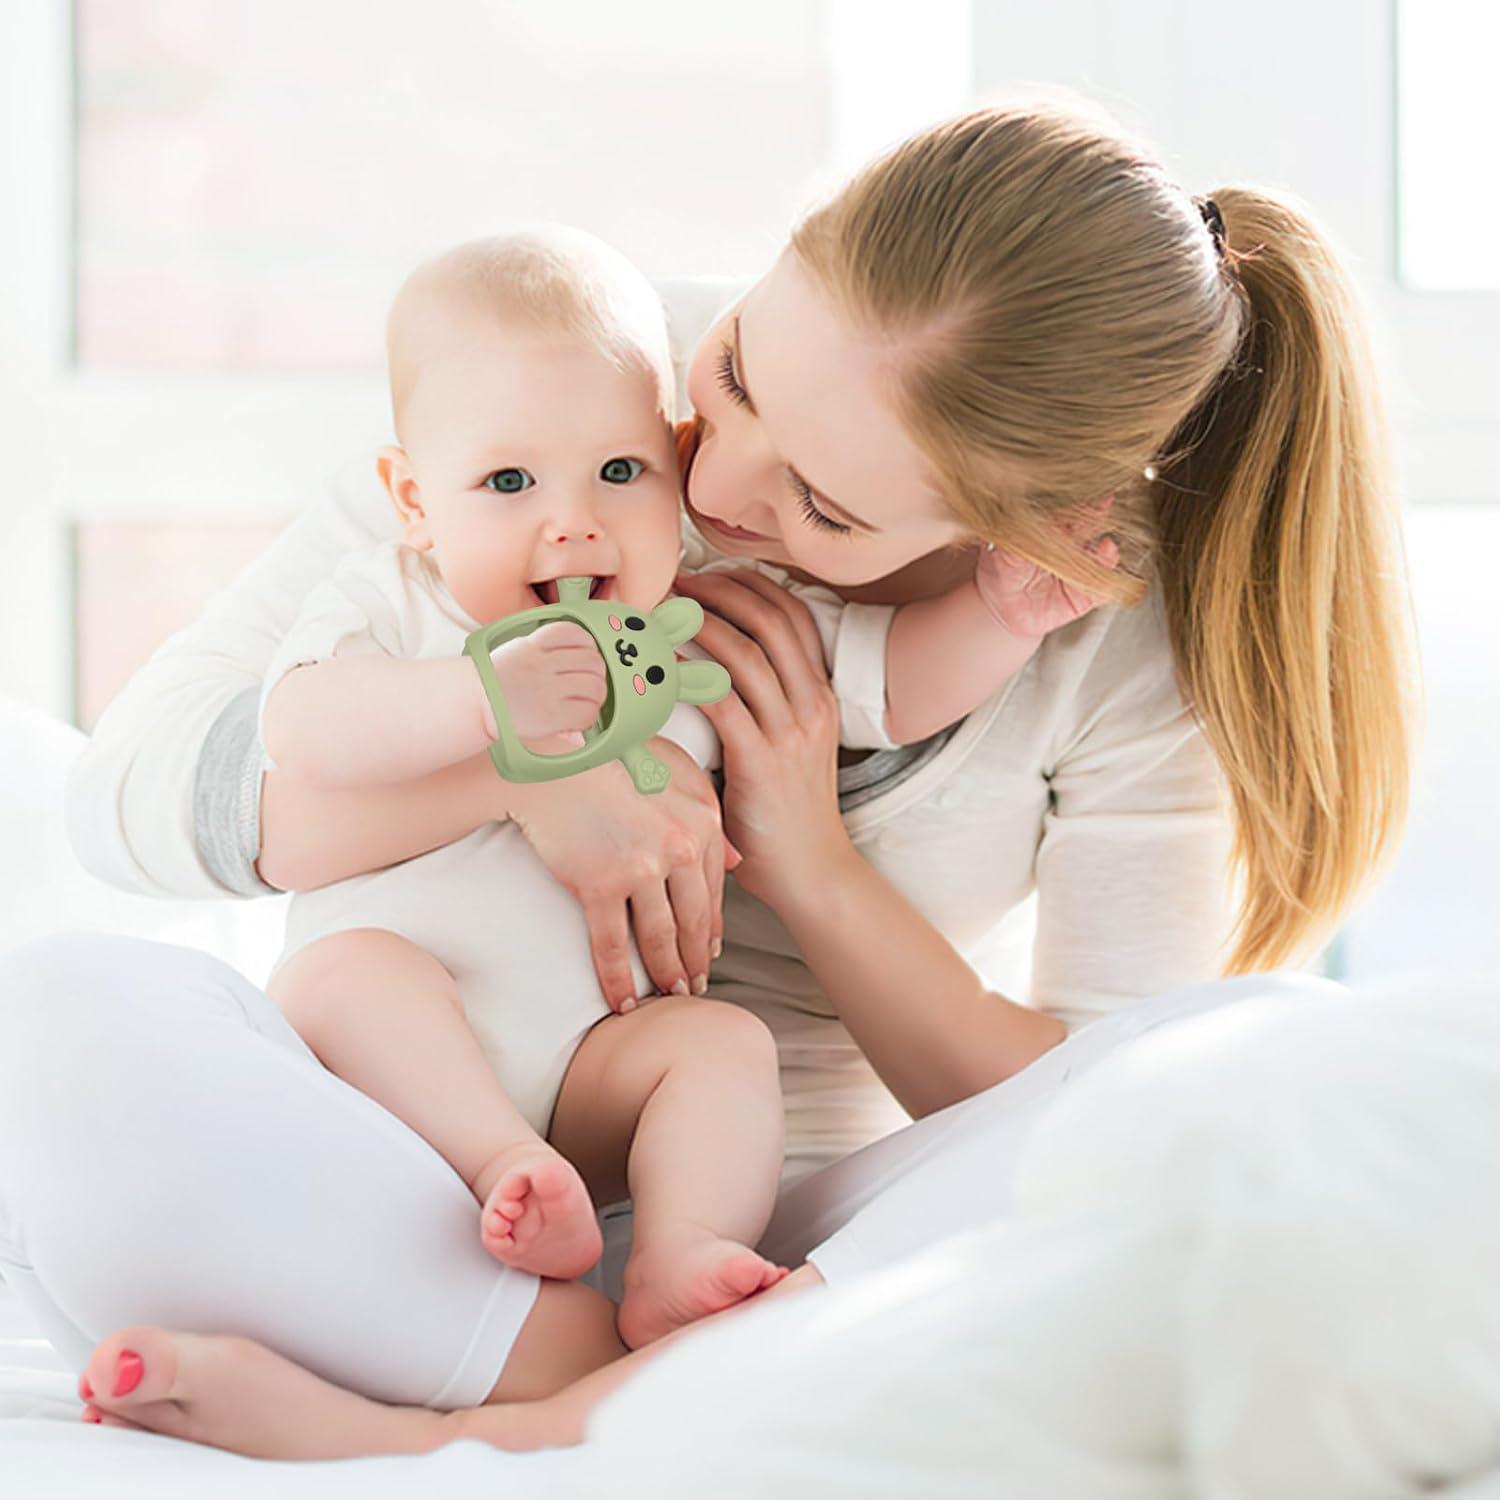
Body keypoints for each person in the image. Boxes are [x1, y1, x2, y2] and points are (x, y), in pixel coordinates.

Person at [3, 98, 1416, 1446]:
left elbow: (1112, 1105)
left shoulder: (1104, 645)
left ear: (1038, 533)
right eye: (736, 371)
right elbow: (129, 800)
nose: (716, 488)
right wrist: (525, 774)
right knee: (67, 1019)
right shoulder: (578, 387)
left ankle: (479, 1421)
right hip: (425, 1180)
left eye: (827, 505)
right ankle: (580, 1380)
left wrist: (806, 861)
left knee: (1202, 1103)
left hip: (767, 1241)